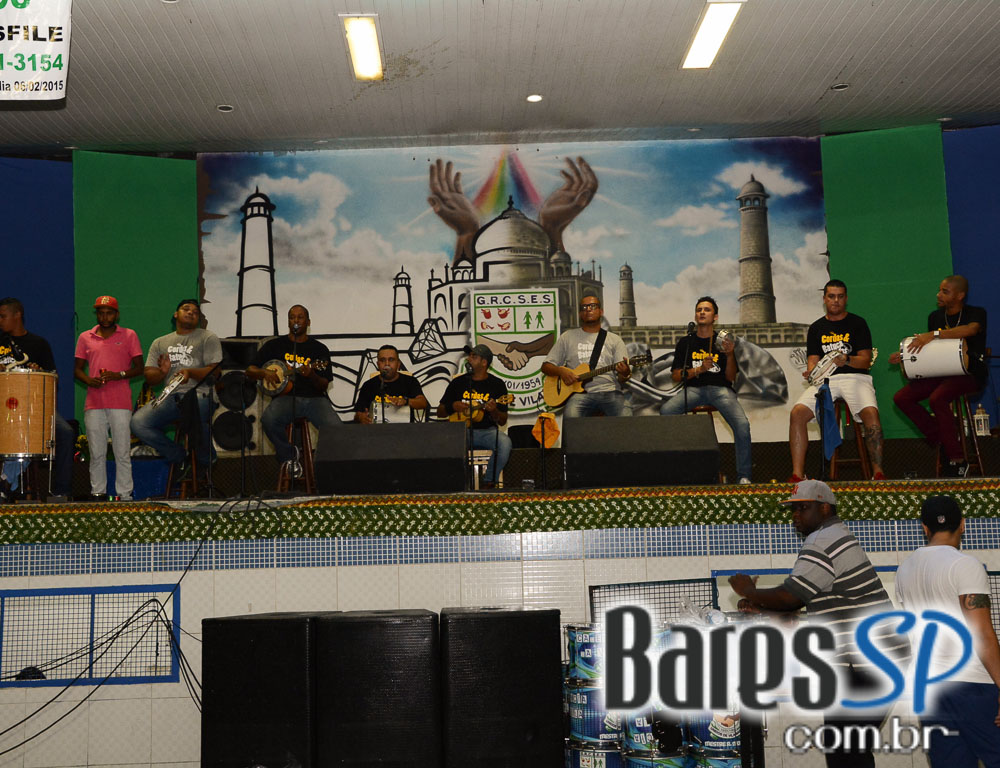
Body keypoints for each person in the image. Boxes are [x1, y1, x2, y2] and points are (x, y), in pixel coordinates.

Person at [729, 479, 909, 768]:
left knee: (847, 749)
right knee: (845, 747)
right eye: (793, 510)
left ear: (824, 508)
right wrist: (761, 607)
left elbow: (791, 597)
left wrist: (748, 591)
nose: (795, 516)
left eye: (803, 508)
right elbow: (804, 602)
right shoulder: (834, 536)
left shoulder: (822, 541)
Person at [895, 495, 1000, 767]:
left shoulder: (904, 569)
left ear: (925, 528)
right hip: (972, 685)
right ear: (962, 524)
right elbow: (982, 634)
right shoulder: (965, 565)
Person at [890, 275, 987, 477]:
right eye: (940, 290)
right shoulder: (935, 317)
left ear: (960, 295)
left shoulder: (976, 313)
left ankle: (957, 459)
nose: (938, 295)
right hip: (941, 372)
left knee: (937, 398)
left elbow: (971, 330)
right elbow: (932, 351)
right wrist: (905, 355)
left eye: (945, 291)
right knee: (902, 398)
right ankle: (945, 438)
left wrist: (934, 335)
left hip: (969, 373)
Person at [789, 280, 885, 482]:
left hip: (856, 377)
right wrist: (812, 372)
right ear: (824, 299)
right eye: (831, 296)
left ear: (846, 299)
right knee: (797, 413)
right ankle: (797, 475)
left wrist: (847, 359)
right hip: (826, 380)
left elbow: (865, 360)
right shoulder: (816, 328)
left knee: (871, 413)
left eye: (840, 296)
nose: (836, 300)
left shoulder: (858, 323)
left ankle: (878, 473)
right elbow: (813, 360)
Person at [659, 296, 752, 484]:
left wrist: (730, 355)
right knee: (666, 411)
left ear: (715, 317)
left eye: (707, 310)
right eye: (699, 309)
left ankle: (744, 476)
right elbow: (676, 376)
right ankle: (674, 468)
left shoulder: (722, 341)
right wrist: (699, 369)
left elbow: (731, 378)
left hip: (720, 389)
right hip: (693, 389)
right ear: (695, 315)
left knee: (742, 425)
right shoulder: (686, 342)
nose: (702, 312)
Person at [131, 299, 222, 476]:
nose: (191, 312)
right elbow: (149, 376)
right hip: (170, 398)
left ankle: (205, 460)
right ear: (175, 314)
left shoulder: (207, 338)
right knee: (138, 423)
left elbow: (215, 371)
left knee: (196, 411)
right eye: (186, 309)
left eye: (195, 312)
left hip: (200, 395)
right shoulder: (160, 342)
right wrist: (162, 372)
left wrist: (190, 372)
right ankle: (179, 456)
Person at [246, 305, 340, 475]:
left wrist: (312, 375)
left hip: (315, 399)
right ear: (288, 321)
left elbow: (324, 385)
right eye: (292, 317)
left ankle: (326, 468)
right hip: (286, 398)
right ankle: (289, 456)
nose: (296, 320)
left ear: (308, 322)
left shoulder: (319, 349)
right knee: (268, 419)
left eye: (300, 317)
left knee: (337, 429)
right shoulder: (274, 346)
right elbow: (250, 370)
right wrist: (264, 373)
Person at [0, 297, 75, 502]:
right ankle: (6, 483)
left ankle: (61, 492)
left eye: (3, 316)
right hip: (4, 409)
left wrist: (39, 371)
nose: (0, 321)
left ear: (18, 315)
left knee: (65, 433)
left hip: (34, 408)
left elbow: (53, 378)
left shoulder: (39, 344)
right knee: (17, 429)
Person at [73, 296, 143, 501]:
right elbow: (77, 369)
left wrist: (118, 375)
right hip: (94, 403)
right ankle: (98, 493)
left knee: (122, 451)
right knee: (96, 452)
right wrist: (89, 380)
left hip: (120, 402)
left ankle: (125, 495)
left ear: (117, 314)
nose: (105, 317)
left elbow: (139, 368)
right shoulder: (85, 337)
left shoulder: (129, 335)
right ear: (96, 314)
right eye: (101, 313)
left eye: (109, 313)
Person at [541, 294, 632, 417]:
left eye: (593, 306)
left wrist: (625, 373)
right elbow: (546, 366)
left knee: (626, 415)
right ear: (580, 314)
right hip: (579, 395)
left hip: (610, 392)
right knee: (571, 420)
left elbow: (622, 378)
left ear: (601, 311)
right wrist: (561, 372)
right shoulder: (567, 337)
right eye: (584, 307)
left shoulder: (615, 339)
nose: (588, 309)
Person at [436, 344, 511, 489]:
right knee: (440, 443)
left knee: (505, 443)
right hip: (460, 432)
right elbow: (440, 412)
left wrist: (494, 411)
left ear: (484, 362)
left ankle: (488, 483)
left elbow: (502, 421)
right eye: (469, 356)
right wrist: (453, 406)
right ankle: (452, 485)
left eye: (474, 356)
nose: (469, 359)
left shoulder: (497, 384)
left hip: (486, 432)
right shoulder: (458, 382)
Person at [354, 345, 429, 423]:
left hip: (405, 429)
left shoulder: (410, 381)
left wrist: (406, 401)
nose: (387, 364)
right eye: (382, 360)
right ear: (378, 364)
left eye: (391, 360)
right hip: (376, 430)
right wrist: (360, 417)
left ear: (398, 364)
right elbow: (358, 414)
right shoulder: (368, 385)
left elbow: (423, 403)